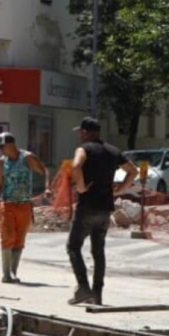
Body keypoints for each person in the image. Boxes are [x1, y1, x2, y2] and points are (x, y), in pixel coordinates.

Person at [67, 117, 139, 306]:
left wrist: (81, 187)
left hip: (87, 207)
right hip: (105, 208)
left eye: (80, 132)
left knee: (73, 247)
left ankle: (83, 287)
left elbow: (75, 166)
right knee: (98, 251)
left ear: (85, 132)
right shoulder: (113, 151)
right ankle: (97, 294)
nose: (79, 136)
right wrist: (121, 189)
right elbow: (133, 171)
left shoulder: (84, 149)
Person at [0, 133, 50, 283]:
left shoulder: (27, 158)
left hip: (24, 206)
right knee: (7, 237)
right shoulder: (2, 162)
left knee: (19, 239)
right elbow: (0, 184)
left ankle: (13, 272)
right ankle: (6, 274)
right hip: (7, 205)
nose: (1, 151)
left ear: (10, 145)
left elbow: (44, 171)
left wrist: (47, 187)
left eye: (2, 147)